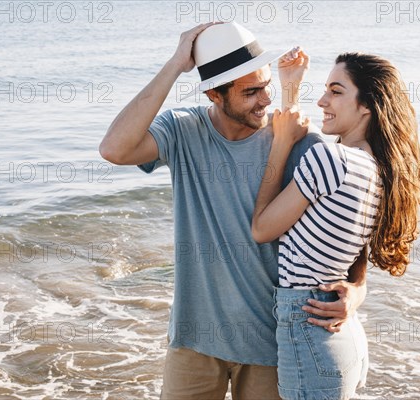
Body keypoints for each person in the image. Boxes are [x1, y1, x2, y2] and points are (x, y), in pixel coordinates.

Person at [99, 22, 368, 400]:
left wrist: (357, 289)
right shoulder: (182, 131)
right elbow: (114, 148)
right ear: (215, 93)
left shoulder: (293, 140)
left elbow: (350, 231)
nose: (264, 100)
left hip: (269, 345)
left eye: (266, 86)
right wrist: (177, 64)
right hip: (193, 342)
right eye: (251, 92)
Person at [252, 52, 420, 400]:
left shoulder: (331, 159)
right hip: (341, 335)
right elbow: (346, 247)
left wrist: (281, 143)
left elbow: (261, 228)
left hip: (310, 329)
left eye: (335, 91)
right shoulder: (379, 169)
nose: (322, 101)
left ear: (367, 105)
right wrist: (290, 88)